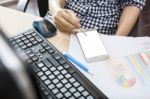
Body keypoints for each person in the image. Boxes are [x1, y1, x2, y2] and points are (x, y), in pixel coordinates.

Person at [48, 0, 145, 36]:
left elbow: (133, 4)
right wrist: (56, 9)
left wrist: (116, 41)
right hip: (58, 24)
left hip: (97, 36)